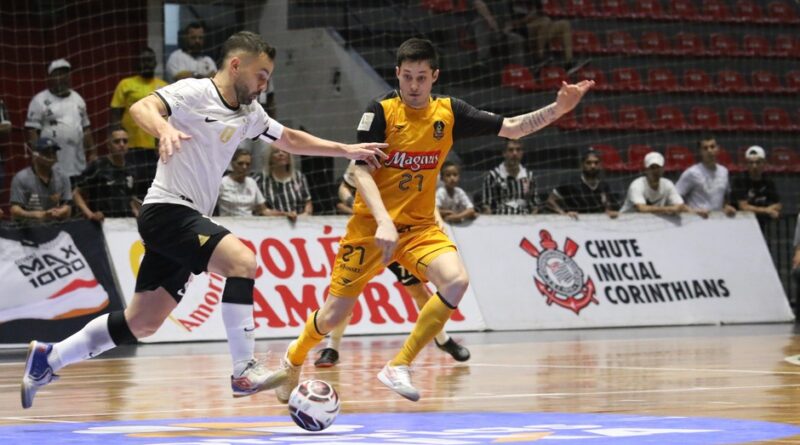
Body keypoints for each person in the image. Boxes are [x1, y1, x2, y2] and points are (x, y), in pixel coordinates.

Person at [20, 30, 388, 409]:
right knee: (242, 262)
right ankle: (243, 369)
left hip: (186, 218)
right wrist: (164, 129)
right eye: (261, 74)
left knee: (142, 322)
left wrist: (345, 149)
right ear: (236, 65)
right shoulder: (195, 93)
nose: (265, 84)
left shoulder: (249, 113)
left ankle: (50, 358)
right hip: (166, 211)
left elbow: (290, 140)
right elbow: (140, 109)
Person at [273, 37, 592, 403]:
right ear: (397, 74)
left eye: (421, 77)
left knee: (455, 281)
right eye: (407, 76)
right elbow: (361, 173)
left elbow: (514, 127)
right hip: (369, 230)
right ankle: (293, 359)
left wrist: (559, 109)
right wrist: (383, 221)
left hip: (421, 229)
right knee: (332, 316)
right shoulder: (379, 112)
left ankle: (399, 364)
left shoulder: (449, 113)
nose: (413, 85)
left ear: (434, 76)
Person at [315, 162, 471, 368]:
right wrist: (356, 202)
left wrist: (437, 216)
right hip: (370, 235)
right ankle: (332, 347)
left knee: (418, 291)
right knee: (347, 295)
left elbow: (423, 191)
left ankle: (442, 339)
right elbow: (344, 186)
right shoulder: (368, 153)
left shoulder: (413, 154)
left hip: (403, 235)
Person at [25, 59, 96, 182]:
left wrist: (92, 152)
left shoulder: (78, 99)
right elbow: (32, 131)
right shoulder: (39, 100)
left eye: (65, 73)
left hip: (76, 160)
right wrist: (37, 154)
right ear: (50, 77)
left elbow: (86, 128)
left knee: (76, 193)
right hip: (51, 161)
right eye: (58, 74)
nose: (62, 77)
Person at [110, 48, 168, 198]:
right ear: (137, 63)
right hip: (130, 148)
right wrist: (117, 143)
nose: (146, 63)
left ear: (155, 63)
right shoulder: (125, 85)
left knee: (153, 187)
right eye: (143, 60)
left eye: (150, 60)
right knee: (131, 187)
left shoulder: (164, 86)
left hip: (155, 149)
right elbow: (115, 115)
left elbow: (168, 118)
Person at [73, 128, 140, 221]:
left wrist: (138, 213)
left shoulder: (131, 169)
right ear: (108, 145)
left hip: (127, 223)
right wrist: (90, 214)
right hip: (103, 223)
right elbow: (76, 193)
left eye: (125, 141)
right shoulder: (98, 165)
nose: (122, 144)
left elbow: (131, 197)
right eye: (117, 141)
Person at [619, 152, 703, 216]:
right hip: (625, 222)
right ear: (646, 170)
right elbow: (642, 208)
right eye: (652, 168)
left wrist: (696, 213)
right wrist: (669, 209)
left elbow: (680, 206)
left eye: (658, 168)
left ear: (663, 169)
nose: (655, 171)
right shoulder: (637, 185)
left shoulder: (667, 184)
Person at [9, 138, 72, 222]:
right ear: (35, 155)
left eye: (53, 153)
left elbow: (68, 208)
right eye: (46, 153)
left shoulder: (63, 177)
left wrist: (63, 211)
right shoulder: (21, 178)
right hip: (27, 228)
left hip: (54, 226)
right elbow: (14, 210)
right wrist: (33, 215)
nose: (51, 156)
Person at [547, 147, 618, 219]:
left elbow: (608, 206)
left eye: (596, 163)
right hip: (575, 224)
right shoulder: (570, 183)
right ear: (582, 165)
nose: (593, 166)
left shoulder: (604, 185)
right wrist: (563, 214)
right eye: (588, 163)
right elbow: (550, 201)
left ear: (600, 165)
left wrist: (609, 212)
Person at [675, 136, 736, 217]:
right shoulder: (691, 173)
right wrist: (692, 211)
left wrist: (726, 207)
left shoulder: (724, 171)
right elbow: (675, 196)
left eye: (712, 147)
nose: (709, 150)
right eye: (705, 148)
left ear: (718, 149)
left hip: (718, 221)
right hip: (697, 221)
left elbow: (724, 197)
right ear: (700, 151)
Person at [507, 0, 576, 69]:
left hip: (541, 31)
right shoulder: (513, 3)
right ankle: (539, 56)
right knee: (545, 21)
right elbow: (511, 23)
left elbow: (540, 13)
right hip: (523, 30)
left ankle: (568, 62)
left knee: (565, 24)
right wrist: (527, 19)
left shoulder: (535, 3)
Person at [255, 145, 312, 222]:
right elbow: (261, 210)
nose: (281, 154)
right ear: (270, 158)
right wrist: (285, 215)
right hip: (271, 224)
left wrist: (305, 215)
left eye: (284, 151)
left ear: (289, 157)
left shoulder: (299, 177)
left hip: (299, 224)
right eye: (276, 152)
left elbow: (308, 203)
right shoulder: (261, 179)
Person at [481, 139, 538, 214]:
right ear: (504, 153)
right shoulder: (492, 176)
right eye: (511, 150)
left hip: (524, 222)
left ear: (522, 153)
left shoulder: (529, 176)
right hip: (500, 221)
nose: (515, 153)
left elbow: (534, 206)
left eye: (518, 150)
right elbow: (486, 206)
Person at [731, 145, 781, 230]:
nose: (754, 166)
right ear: (747, 164)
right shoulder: (739, 180)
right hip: (741, 225)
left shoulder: (768, 180)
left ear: (764, 163)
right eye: (751, 163)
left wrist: (772, 209)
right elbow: (743, 207)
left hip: (762, 226)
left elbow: (778, 204)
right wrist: (766, 211)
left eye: (758, 162)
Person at [471, 0, 526, 67]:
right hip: (480, 33)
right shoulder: (480, 2)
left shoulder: (503, 3)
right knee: (480, 22)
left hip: (498, 34)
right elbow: (480, 7)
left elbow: (508, 22)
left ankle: (518, 68)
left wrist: (505, 30)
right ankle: (482, 59)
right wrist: (493, 23)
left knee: (517, 39)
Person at [217, 149, 268, 216]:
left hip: (248, 223)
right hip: (227, 222)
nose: (244, 167)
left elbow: (263, 210)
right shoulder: (222, 183)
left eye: (247, 164)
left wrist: (284, 214)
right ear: (232, 164)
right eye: (240, 163)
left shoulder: (252, 182)